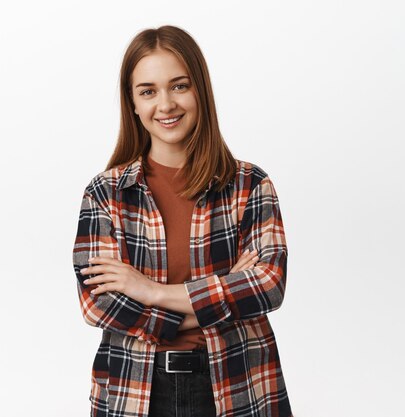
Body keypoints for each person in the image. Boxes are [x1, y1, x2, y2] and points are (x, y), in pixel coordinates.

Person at [72, 26, 293, 417]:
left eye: (179, 86)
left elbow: (268, 286)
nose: (165, 104)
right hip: (134, 390)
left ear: (200, 91)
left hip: (237, 385)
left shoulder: (250, 185)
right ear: (134, 104)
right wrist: (220, 296)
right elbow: (99, 304)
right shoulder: (105, 193)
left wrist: (150, 291)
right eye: (148, 91)